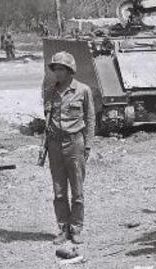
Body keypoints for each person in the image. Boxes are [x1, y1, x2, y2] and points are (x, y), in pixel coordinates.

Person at [43, 52, 94, 245]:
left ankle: (76, 228)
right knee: (59, 191)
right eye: (55, 69)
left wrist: (87, 145)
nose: (57, 72)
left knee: (77, 190)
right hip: (55, 144)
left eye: (61, 69)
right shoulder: (50, 91)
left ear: (70, 71)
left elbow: (90, 119)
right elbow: (47, 119)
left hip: (75, 143)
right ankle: (63, 228)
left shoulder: (83, 90)